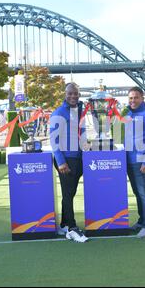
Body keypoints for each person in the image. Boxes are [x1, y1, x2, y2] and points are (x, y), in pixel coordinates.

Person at [50, 82, 88, 243]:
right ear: (65, 95)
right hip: (65, 160)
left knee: (70, 193)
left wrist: (86, 146)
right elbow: (54, 139)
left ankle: (65, 224)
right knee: (68, 193)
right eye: (70, 93)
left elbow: (82, 132)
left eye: (76, 93)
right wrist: (60, 161)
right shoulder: (59, 113)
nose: (73, 96)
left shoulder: (80, 111)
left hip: (79, 157)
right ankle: (72, 228)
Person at [124, 87, 145, 238]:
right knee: (137, 193)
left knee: (144, 193)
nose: (133, 101)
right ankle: (141, 220)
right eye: (130, 98)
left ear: (142, 98)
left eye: (135, 98)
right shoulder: (128, 115)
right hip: (128, 160)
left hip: (141, 161)